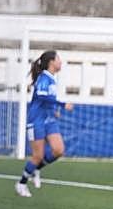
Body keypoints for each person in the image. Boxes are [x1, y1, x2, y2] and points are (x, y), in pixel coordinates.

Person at [16, 50, 74, 198]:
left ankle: (37, 168)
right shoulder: (43, 79)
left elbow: (46, 100)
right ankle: (21, 183)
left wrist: (54, 110)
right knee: (37, 155)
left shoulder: (52, 79)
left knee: (58, 150)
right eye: (58, 59)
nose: (61, 62)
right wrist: (61, 104)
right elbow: (42, 97)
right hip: (36, 120)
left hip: (49, 119)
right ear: (51, 62)